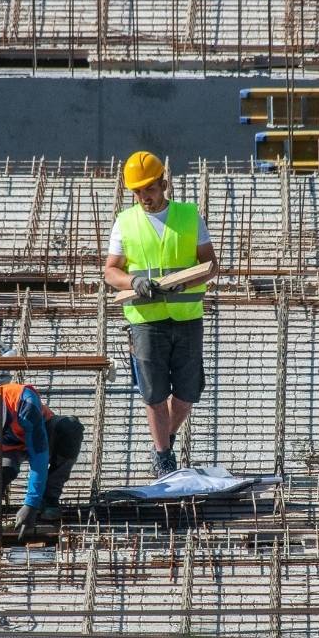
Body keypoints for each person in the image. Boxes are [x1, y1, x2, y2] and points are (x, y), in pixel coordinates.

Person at [102, 150, 218, 478]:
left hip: (186, 316)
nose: (143, 198)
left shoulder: (188, 216)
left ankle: (164, 434)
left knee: (187, 391)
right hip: (145, 320)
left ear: (163, 184)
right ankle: (164, 455)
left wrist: (188, 280)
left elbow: (211, 265)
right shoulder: (125, 223)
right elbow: (110, 272)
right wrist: (133, 281)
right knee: (154, 392)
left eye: (149, 190)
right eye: (137, 192)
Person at [0, 383, 84, 547]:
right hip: (4, 453)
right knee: (3, 470)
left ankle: (49, 499)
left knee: (70, 428)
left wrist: (31, 503)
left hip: (39, 435)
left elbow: (38, 457)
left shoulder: (25, 403)